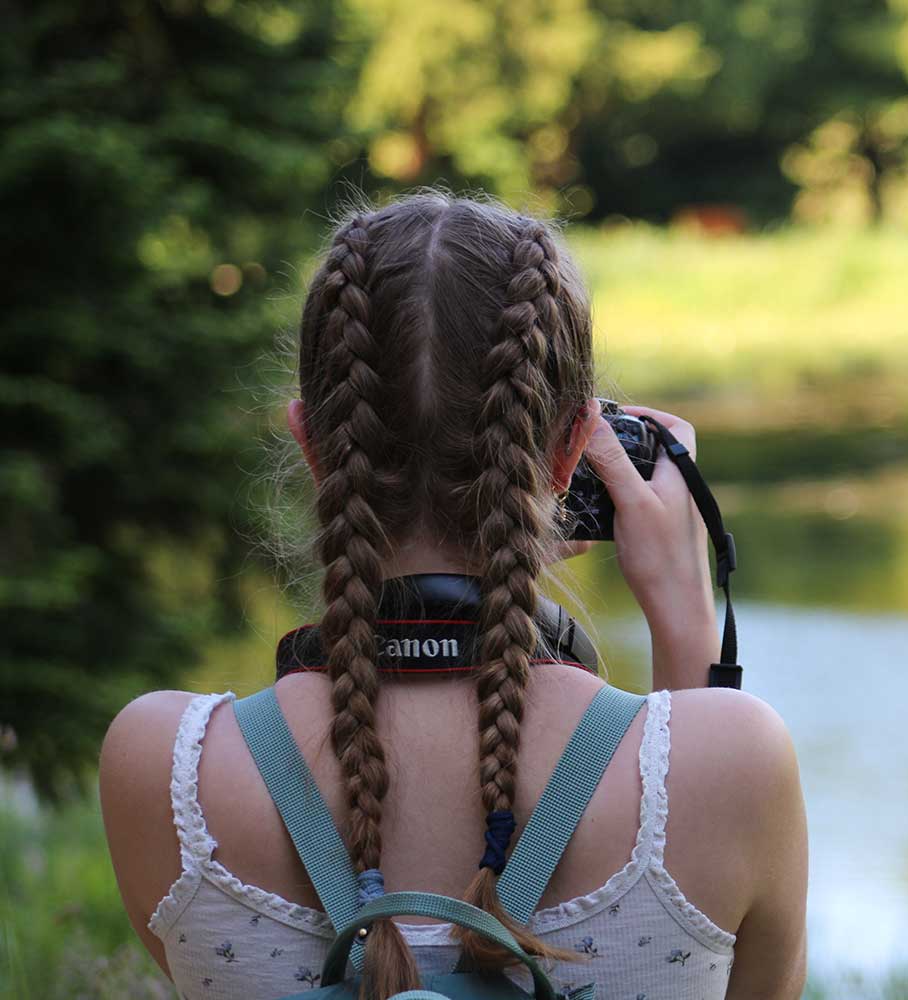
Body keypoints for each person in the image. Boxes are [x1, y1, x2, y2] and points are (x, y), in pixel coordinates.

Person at [98, 191, 808, 1000]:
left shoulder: (161, 766)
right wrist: (683, 619)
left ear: (313, 447)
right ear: (574, 447)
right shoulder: (735, 762)